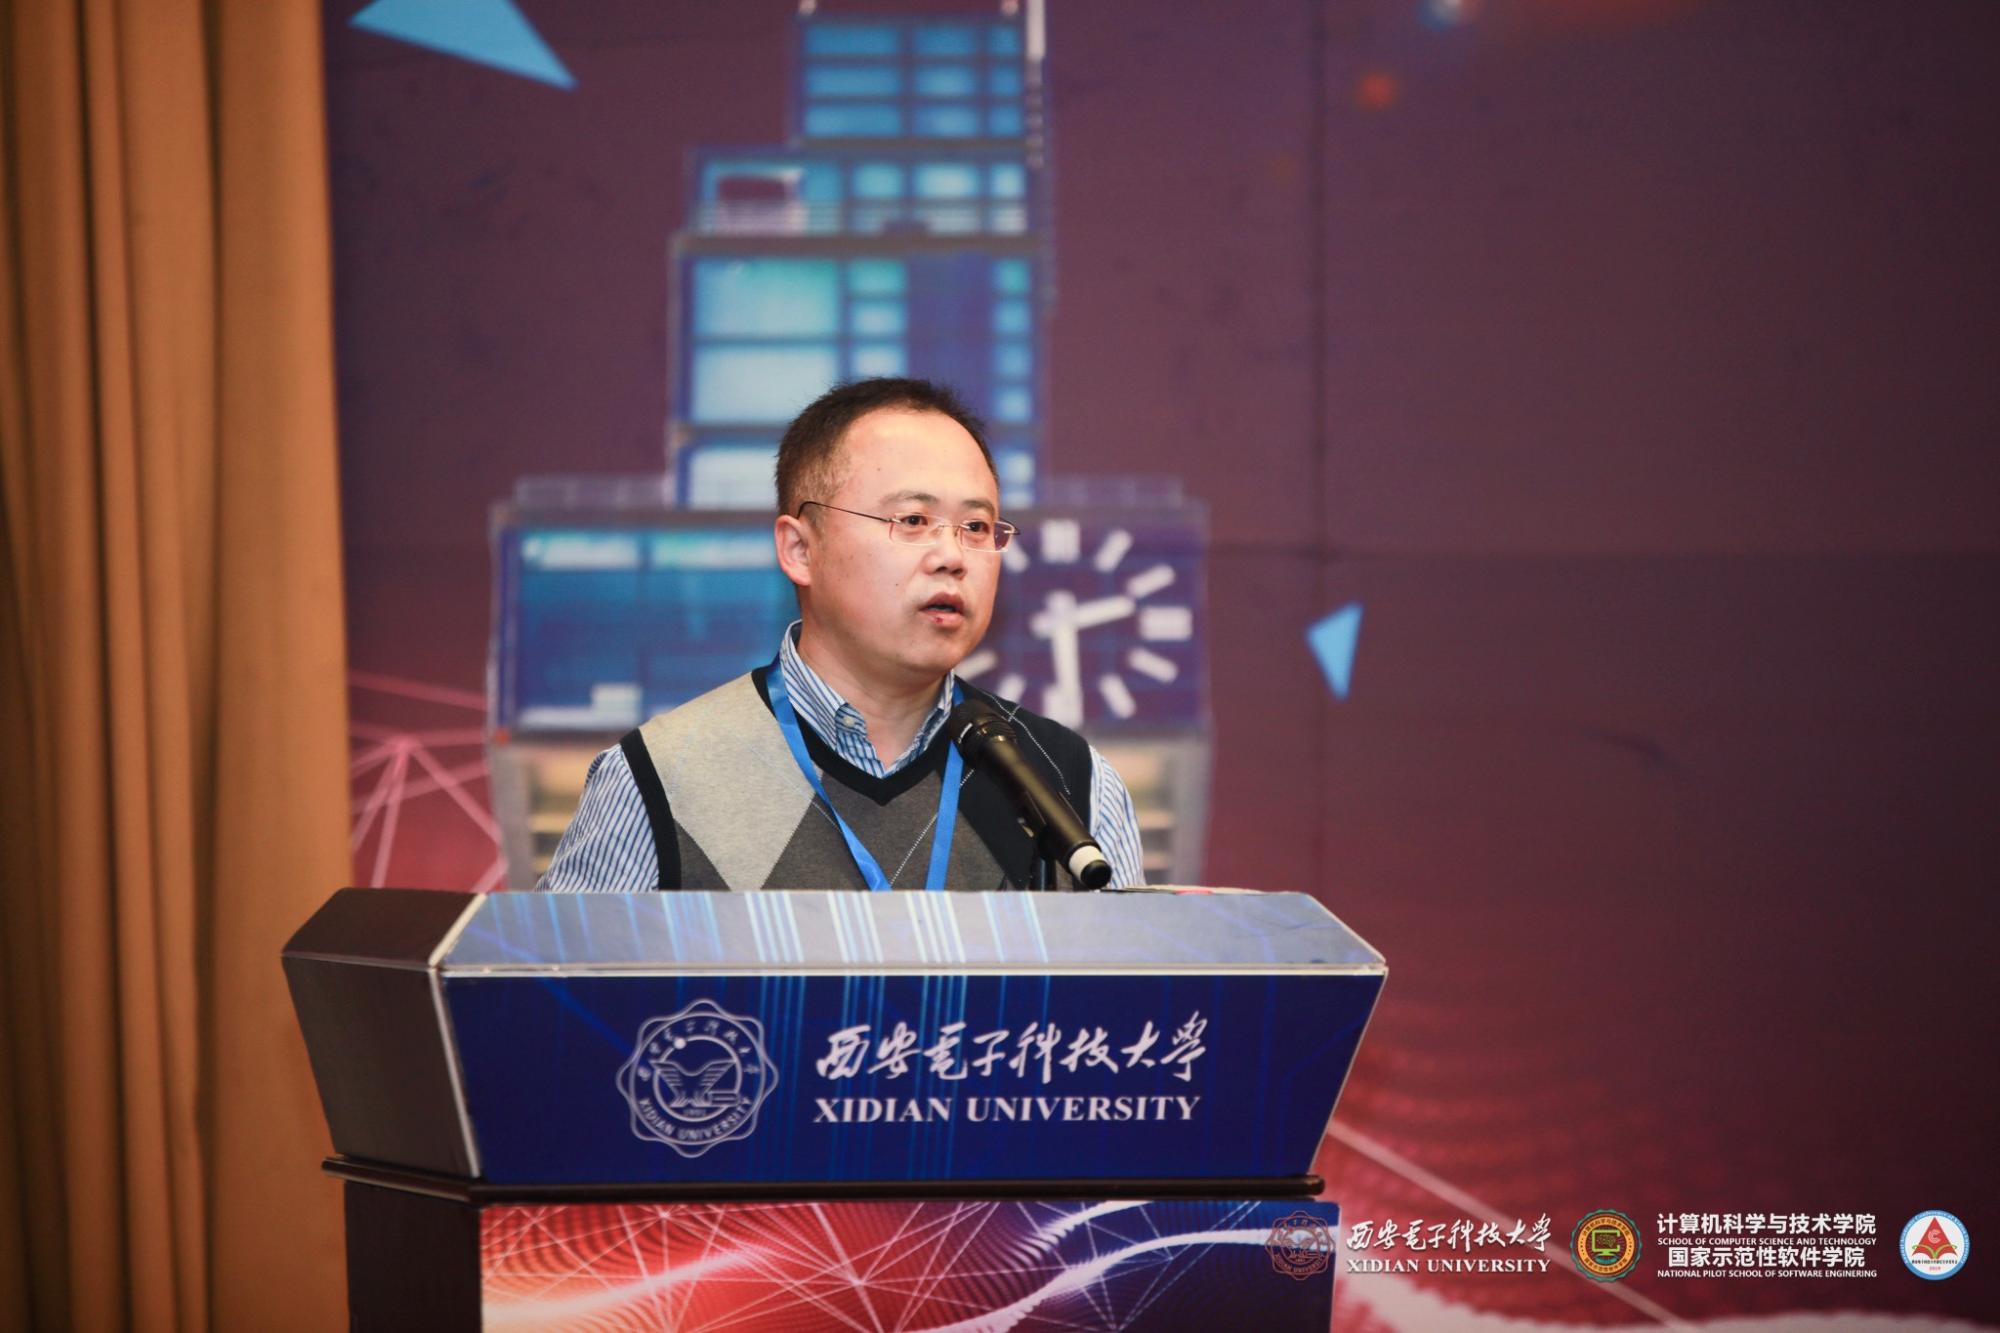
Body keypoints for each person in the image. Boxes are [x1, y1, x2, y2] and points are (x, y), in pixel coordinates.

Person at [538, 377, 1146, 892]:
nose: (952, 556)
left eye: (977, 527)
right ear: (800, 549)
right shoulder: (659, 778)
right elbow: (556, 992)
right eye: (913, 519)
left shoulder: (1070, 783)